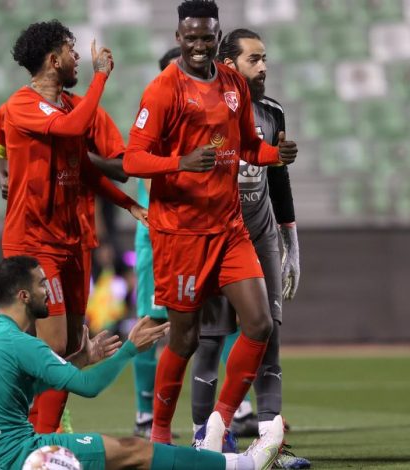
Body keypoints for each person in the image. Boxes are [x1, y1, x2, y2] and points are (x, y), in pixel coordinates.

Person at [122, 0, 297, 454]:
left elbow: (248, 147)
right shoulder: (163, 90)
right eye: (191, 38)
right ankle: (160, 434)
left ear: (217, 39)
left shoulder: (234, 84)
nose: (199, 46)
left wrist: (274, 155)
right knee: (184, 338)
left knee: (259, 324)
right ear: (178, 38)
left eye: (207, 38)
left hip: (230, 229)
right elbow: (133, 159)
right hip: (182, 234)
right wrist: (179, 162)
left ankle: (219, 423)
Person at [0, 255, 278, 470]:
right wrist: (130, 349)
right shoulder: (21, 343)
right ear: (24, 296)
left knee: (120, 456)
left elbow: (20, 388)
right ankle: (245, 465)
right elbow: (89, 387)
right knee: (133, 450)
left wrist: (80, 359)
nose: (49, 292)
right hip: (19, 456)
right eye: (42, 284)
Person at [2, 20, 148, 434]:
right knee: (51, 347)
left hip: (71, 242)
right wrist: (101, 76)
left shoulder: (72, 108)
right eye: (71, 49)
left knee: (71, 346)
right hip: (33, 241)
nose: (78, 56)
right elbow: (70, 130)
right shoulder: (21, 105)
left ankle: (40, 433)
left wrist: (129, 204)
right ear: (54, 60)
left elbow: (85, 168)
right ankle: (42, 438)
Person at [190, 28, 310, 469]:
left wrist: (290, 238)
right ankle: (205, 440)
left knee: (269, 335)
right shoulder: (202, 110)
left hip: (260, 237)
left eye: (265, 59)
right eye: (254, 59)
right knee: (209, 340)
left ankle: (269, 445)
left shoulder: (272, 112)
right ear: (229, 64)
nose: (263, 67)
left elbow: (278, 177)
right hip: (214, 238)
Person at [131, 46, 181, 439]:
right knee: (153, 321)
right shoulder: (156, 116)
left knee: (220, 318)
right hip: (159, 234)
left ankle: (232, 412)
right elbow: (145, 173)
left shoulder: (201, 115)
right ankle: (145, 413)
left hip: (196, 233)